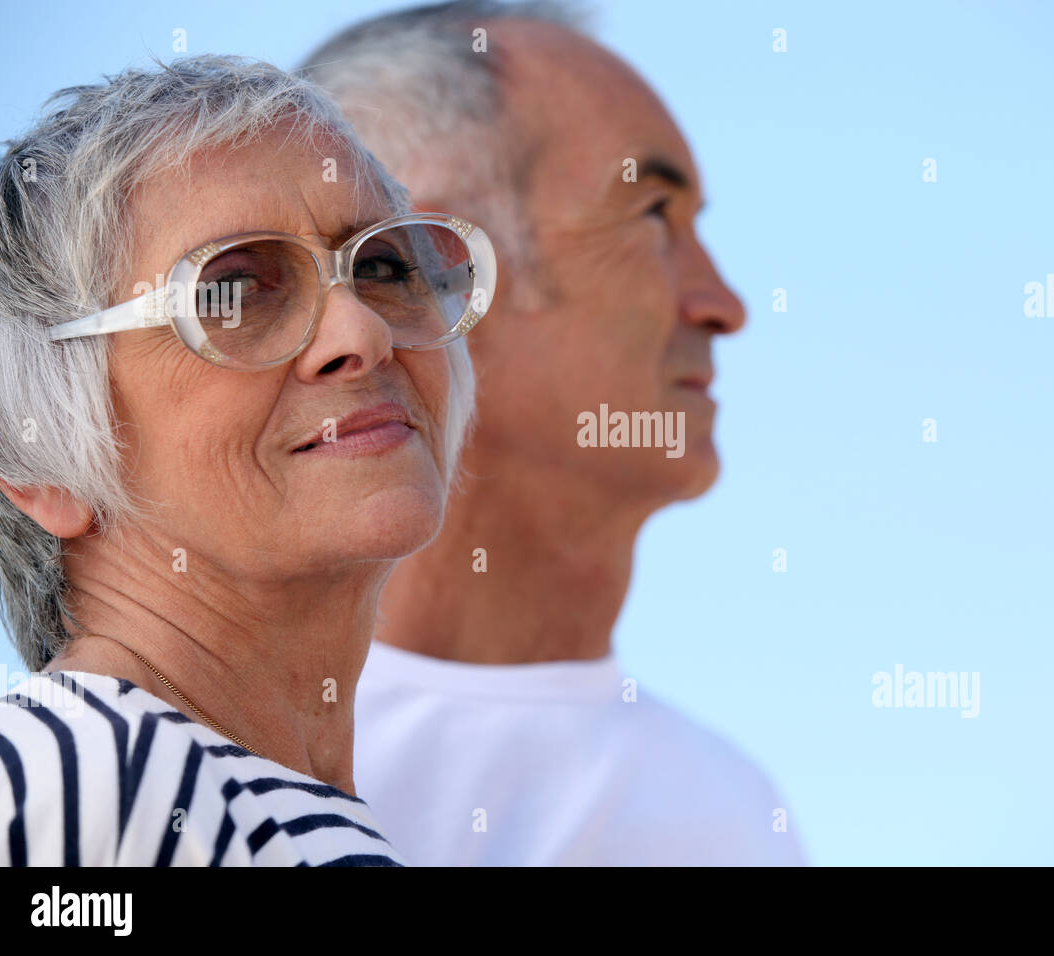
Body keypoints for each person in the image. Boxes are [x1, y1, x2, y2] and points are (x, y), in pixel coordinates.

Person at [304, 2, 805, 865]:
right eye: (652, 216)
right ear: (428, 272)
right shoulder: (165, 787)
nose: (723, 304)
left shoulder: (733, 814)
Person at [0, 55, 496, 865]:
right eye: (236, 292)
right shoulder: (80, 788)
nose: (361, 334)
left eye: (384, 267)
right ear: (36, 453)